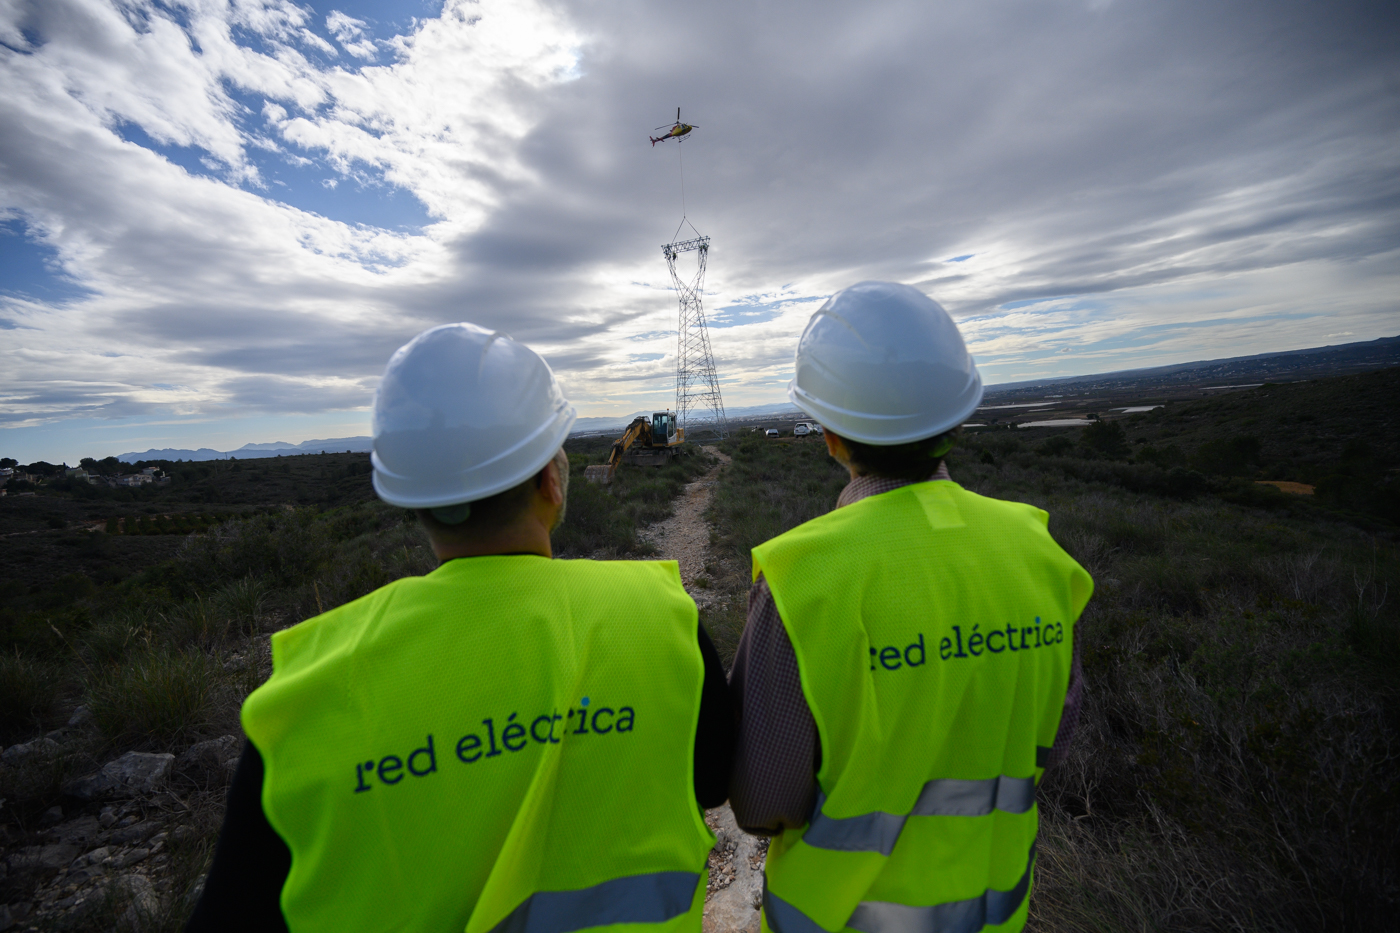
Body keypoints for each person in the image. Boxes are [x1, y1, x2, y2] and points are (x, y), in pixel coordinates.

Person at [188, 323, 733, 933]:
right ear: (551, 482)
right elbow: (715, 783)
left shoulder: (301, 700)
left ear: (413, 501)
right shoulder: (660, 618)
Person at [728, 282, 1093, 933]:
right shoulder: (1038, 553)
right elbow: (1053, 739)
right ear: (955, 417)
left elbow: (762, 800)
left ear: (830, 433)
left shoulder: (803, 577)